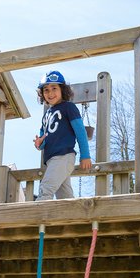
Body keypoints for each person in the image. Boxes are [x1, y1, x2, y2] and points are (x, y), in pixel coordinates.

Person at [33, 70, 92, 200]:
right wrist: (39, 143)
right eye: (46, 90)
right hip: (51, 160)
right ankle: (74, 219)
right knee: (65, 198)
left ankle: (35, 218)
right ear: (42, 94)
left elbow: (81, 132)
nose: (50, 93)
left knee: (45, 190)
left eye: (54, 88)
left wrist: (85, 156)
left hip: (63, 156)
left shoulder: (69, 107)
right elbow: (43, 137)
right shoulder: (46, 115)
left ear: (62, 90)